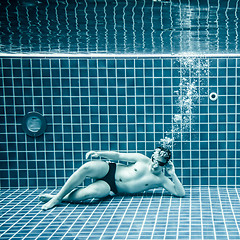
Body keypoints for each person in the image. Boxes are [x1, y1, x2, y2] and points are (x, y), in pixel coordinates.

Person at [39, 147, 185, 210]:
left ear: (165, 164)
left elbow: (180, 193)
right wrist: (100, 154)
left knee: (89, 194)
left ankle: (60, 198)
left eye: (159, 163)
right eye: (154, 159)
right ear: (152, 156)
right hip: (110, 169)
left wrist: (172, 173)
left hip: (111, 187)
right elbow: (119, 156)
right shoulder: (142, 159)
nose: (155, 164)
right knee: (87, 167)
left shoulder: (161, 179)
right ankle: (57, 198)